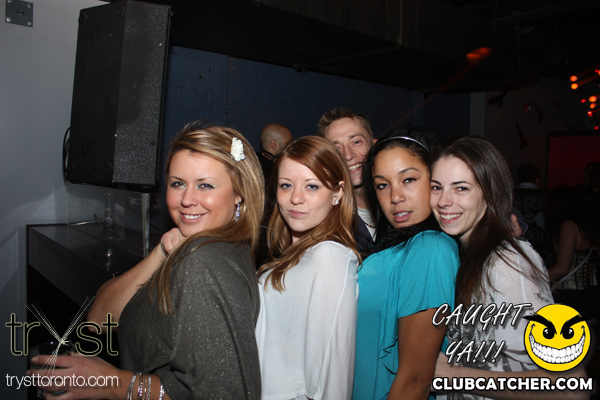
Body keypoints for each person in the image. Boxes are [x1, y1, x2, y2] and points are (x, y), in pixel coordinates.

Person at [30, 123, 265, 399]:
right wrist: (162, 252)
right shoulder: (221, 248)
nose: (187, 199)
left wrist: (114, 384)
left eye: (205, 185)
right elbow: (99, 319)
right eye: (178, 183)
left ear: (239, 193)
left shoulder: (204, 263)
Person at [430, 136, 587, 399]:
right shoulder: (465, 254)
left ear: (491, 194)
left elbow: (569, 385)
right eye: (437, 187)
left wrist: (453, 376)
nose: (443, 201)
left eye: (461, 188)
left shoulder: (505, 263)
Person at [353, 129, 460, 400]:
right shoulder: (397, 244)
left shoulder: (430, 248)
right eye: (382, 185)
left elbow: (416, 380)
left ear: (434, 180)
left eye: (409, 179)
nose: (395, 196)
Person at [255, 136, 360, 399]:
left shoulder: (329, 257)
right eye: (286, 185)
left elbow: (333, 371)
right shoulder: (293, 257)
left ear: (337, 193)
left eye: (312, 186)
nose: (295, 198)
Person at [317, 107, 376, 251]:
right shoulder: (329, 226)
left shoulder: (400, 202)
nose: (348, 155)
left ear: (374, 145)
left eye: (356, 142)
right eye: (337, 149)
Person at [544, 186, 600, 320]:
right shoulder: (589, 227)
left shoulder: (569, 226)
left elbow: (562, 268)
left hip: (570, 296)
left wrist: (535, 279)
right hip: (592, 294)